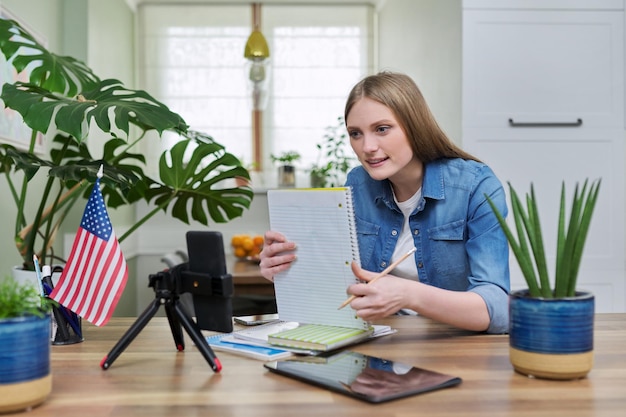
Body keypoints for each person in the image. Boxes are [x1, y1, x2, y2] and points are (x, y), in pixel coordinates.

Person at [259, 71, 510, 334]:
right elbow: (340, 282)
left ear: (414, 127)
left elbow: (497, 309)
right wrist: (286, 270)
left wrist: (409, 295)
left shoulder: (475, 187)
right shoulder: (357, 184)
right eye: (355, 133)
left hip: (452, 347)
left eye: (382, 129)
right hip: (381, 342)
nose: (367, 146)